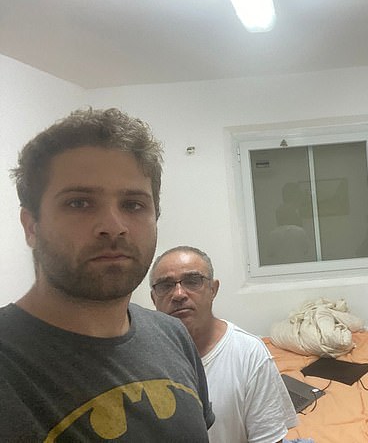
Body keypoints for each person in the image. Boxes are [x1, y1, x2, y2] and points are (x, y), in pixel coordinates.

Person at [0, 108, 214, 441]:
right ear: (31, 226)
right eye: (79, 203)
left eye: (133, 204)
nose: (114, 227)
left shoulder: (173, 334)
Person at [150, 246, 298, 443]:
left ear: (213, 289)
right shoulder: (142, 358)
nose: (178, 294)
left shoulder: (248, 353)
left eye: (193, 281)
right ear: (153, 298)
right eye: (165, 285)